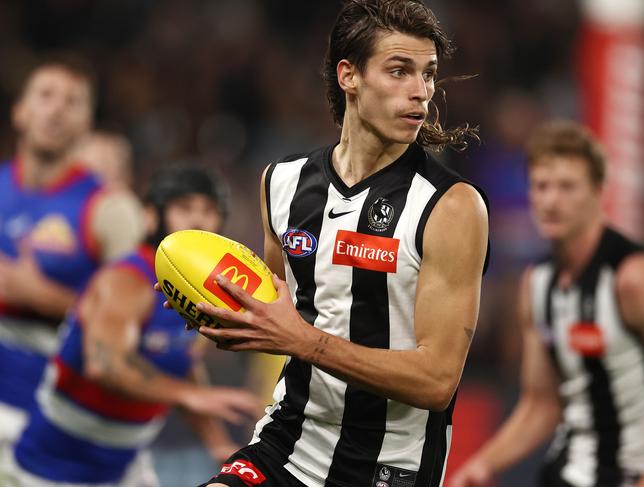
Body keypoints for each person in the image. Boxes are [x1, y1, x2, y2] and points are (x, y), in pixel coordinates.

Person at [174, 1, 490, 486]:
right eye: (399, 71)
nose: (420, 92)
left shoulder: (452, 207)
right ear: (349, 76)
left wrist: (302, 341)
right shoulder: (280, 183)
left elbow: (437, 381)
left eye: (427, 74)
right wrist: (221, 315)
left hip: (389, 468)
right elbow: (275, 313)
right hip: (288, 440)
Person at [2, 164, 260, 486]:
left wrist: (216, 441)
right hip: (51, 467)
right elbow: (105, 363)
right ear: (151, 216)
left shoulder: (195, 292)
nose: (198, 221)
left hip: (124, 466)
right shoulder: (126, 279)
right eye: (184, 208)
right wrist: (186, 394)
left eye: (209, 211)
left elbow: (184, 364)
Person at [449, 121, 644, 487]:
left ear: (598, 191)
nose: (551, 200)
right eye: (541, 186)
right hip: (566, 473)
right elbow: (542, 403)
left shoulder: (632, 278)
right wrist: (483, 465)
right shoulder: (536, 284)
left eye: (567, 187)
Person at [0, 55, 143, 444]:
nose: (57, 110)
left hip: (59, 426)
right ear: (20, 112)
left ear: (87, 123)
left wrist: (43, 296)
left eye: (72, 101)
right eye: (46, 95)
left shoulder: (111, 210)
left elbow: (137, 324)